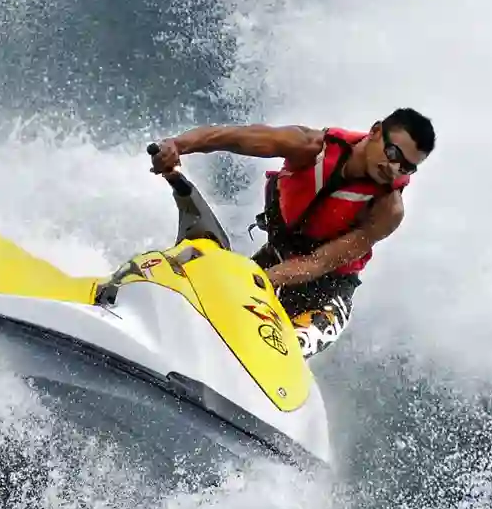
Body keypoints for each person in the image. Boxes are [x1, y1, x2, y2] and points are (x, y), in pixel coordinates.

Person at [148, 109, 435, 358]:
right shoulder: (311, 148)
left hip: (325, 296)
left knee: (277, 345)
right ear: (375, 132)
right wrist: (177, 145)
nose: (394, 168)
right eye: (393, 153)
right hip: (273, 261)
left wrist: (258, 281)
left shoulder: (388, 208)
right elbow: (233, 137)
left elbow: (318, 263)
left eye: (407, 167)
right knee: (211, 317)